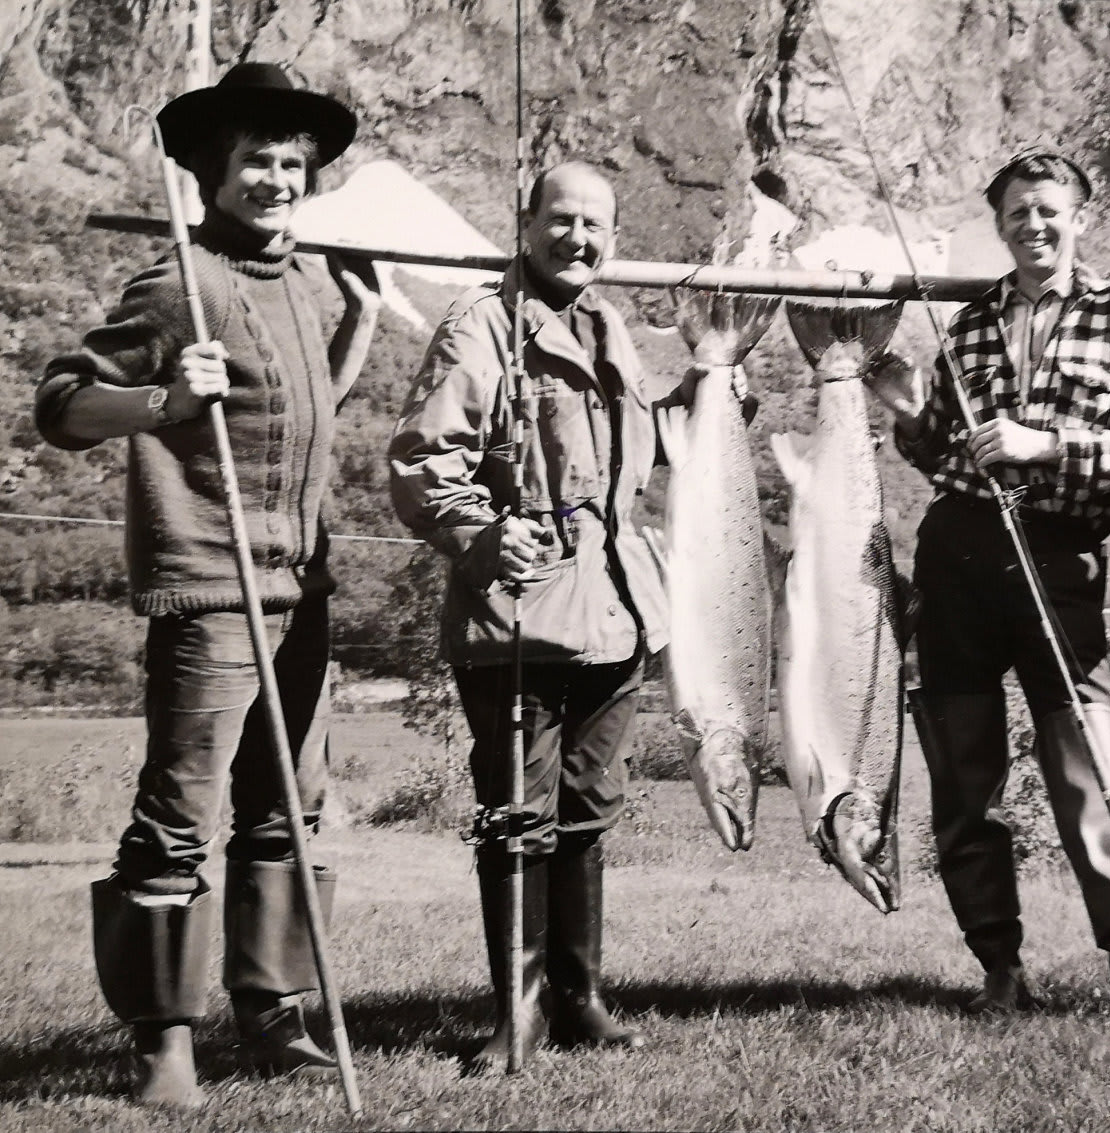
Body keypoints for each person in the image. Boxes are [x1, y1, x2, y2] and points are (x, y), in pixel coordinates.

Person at [33, 63, 381, 1107]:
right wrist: (161, 399)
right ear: (209, 175)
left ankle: (272, 1015)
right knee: (179, 815)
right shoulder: (179, 283)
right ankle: (164, 1045)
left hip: (302, 590)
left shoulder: (299, 282)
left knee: (288, 810)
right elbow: (60, 404)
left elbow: (297, 412)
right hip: (212, 592)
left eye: (292, 165)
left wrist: (361, 318)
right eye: (256, 162)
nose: (278, 181)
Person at [864, 149, 1110, 1024]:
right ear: (1001, 224)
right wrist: (912, 415)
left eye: (1049, 209)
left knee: (1087, 768)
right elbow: (941, 451)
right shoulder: (969, 322)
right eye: (1018, 211)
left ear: (1078, 217)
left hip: (1061, 559)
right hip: (959, 553)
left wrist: (1046, 445)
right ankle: (1000, 970)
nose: (1034, 224)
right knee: (962, 775)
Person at [389, 161, 710, 1066]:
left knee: (589, 808)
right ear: (525, 225)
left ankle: (579, 997)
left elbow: (631, 455)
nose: (578, 238)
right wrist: (483, 534)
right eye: (561, 219)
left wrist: (700, 401)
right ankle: (517, 1010)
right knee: (516, 814)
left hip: (620, 612)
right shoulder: (479, 325)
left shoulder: (609, 326)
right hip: (518, 619)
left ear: (614, 238)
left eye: (595, 225)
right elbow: (422, 462)